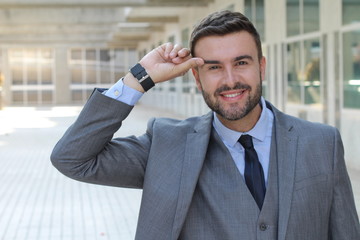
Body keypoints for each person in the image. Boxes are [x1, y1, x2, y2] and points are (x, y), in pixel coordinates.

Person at [51, 10, 360, 240]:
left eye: (241, 62)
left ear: (261, 66)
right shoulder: (166, 145)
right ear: (196, 77)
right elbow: (73, 159)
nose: (230, 80)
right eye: (214, 67)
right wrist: (140, 77)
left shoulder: (322, 143)